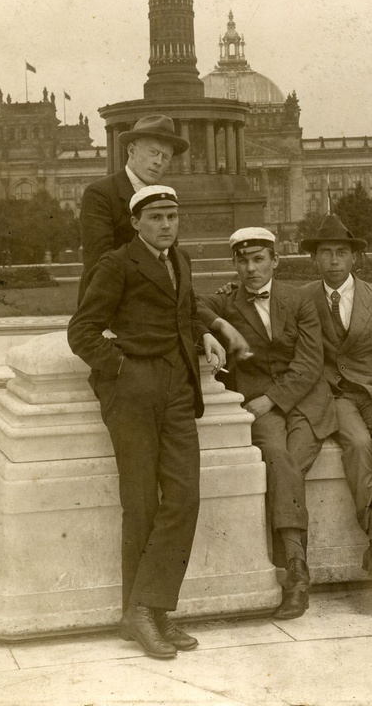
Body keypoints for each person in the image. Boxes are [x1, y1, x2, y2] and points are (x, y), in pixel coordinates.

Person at [68, 185, 226, 659]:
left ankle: (146, 609)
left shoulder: (180, 262)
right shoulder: (117, 264)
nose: (165, 225)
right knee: (140, 503)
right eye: (155, 216)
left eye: (172, 216)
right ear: (136, 222)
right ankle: (144, 614)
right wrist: (120, 369)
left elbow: (182, 316)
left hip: (178, 388)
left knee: (184, 496)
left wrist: (205, 337)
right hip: (133, 391)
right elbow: (81, 331)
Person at [199, 227, 337, 619]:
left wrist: (271, 399)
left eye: (259, 259)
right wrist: (221, 325)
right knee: (276, 454)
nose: (250, 268)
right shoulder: (228, 301)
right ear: (234, 265)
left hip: (305, 401)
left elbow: (310, 362)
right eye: (242, 261)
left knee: (287, 459)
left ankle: (293, 569)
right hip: (260, 405)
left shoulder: (299, 299)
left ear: (275, 260)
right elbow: (189, 305)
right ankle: (296, 571)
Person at [301, 213, 372, 584]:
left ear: (354, 258)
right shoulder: (301, 299)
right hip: (334, 396)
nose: (333, 260)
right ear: (314, 259)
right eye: (325, 253)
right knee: (358, 443)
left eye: (340, 253)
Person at [78, 114, 188, 301]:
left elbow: (169, 255)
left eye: (166, 157)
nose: (159, 162)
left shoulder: (165, 197)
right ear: (131, 150)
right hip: (110, 306)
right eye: (153, 152)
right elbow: (100, 262)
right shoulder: (100, 193)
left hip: (155, 305)